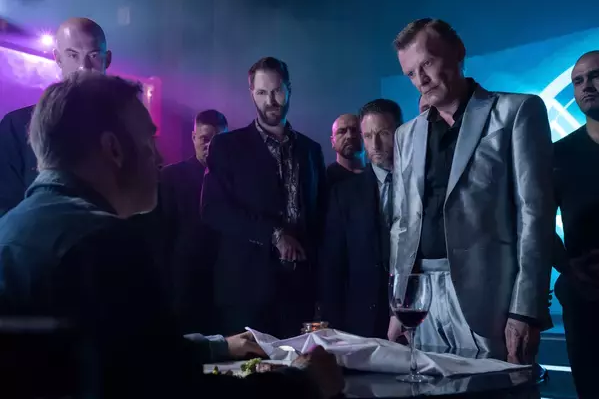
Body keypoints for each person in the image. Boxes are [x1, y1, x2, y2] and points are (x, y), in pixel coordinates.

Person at [0, 72, 343, 398]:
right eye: (149, 140)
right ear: (113, 149)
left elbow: (122, 355)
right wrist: (304, 383)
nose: (161, 156)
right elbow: (177, 392)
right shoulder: (102, 243)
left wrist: (217, 346)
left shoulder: (13, 228)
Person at [389, 18, 554, 363]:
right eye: (410, 73)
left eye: (427, 63)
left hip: (492, 299)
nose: (420, 80)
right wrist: (398, 303)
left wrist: (526, 309)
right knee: (427, 384)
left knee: (500, 387)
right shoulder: (406, 134)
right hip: (420, 298)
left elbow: (534, 217)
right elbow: (403, 224)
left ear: (458, 52)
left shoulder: (516, 111)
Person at [201, 57, 327, 339]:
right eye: (261, 92)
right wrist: (275, 234)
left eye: (277, 90)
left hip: (299, 291)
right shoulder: (227, 146)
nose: (270, 100)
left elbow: (319, 218)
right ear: (251, 94)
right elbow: (213, 209)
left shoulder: (311, 150)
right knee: (250, 367)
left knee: (299, 366)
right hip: (246, 290)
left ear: (289, 89)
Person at [0, 17, 111, 216]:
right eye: (73, 55)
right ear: (58, 58)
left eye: (93, 55)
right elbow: (5, 206)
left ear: (107, 59)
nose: (84, 66)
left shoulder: (126, 123)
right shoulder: (16, 125)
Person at [320, 99, 402, 339]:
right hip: (364, 319)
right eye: (367, 136)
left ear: (401, 131)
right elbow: (333, 263)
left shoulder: (424, 183)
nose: (374, 144)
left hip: (416, 312)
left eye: (383, 133)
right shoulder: (344, 194)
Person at [553, 50, 599, 397]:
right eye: (578, 80)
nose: (587, 86)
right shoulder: (558, 154)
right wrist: (569, 269)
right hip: (586, 299)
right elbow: (536, 223)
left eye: (595, 75)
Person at [159, 109, 228, 333]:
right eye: (204, 139)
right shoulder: (170, 177)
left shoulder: (236, 180)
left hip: (226, 285)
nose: (210, 146)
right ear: (193, 137)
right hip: (184, 285)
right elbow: (162, 235)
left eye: (217, 140)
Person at [327, 113, 364, 186]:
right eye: (342, 131)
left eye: (354, 130)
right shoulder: (324, 179)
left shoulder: (378, 175)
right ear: (332, 141)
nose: (349, 136)